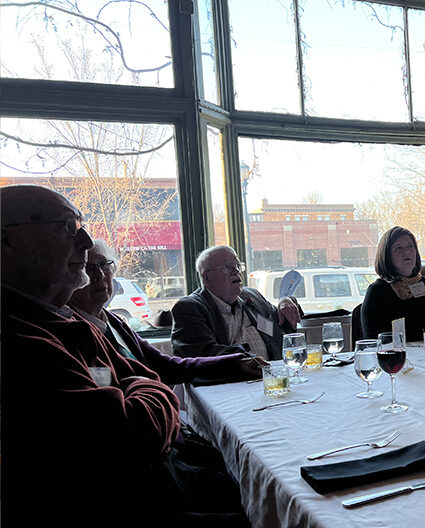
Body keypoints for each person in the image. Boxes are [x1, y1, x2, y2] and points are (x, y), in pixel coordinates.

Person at [1, 185, 183, 526]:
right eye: (67, 227)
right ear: (7, 241)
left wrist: (137, 389)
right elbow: (133, 437)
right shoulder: (18, 339)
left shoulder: (65, 321)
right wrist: (146, 388)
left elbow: (146, 382)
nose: (84, 240)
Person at [69, 240, 265, 386]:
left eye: (104, 265)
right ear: (68, 276)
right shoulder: (70, 332)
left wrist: (236, 363)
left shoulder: (111, 321)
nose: (100, 275)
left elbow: (167, 366)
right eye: (88, 267)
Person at [171, 245, 302, 359]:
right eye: (227, 267)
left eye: (238, 266)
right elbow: (201, 355)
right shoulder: (190, 308)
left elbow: (283, 325)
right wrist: (249, 356)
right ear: (206, 277)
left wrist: (286, 301)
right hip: (225, 384)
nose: (236, 271)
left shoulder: (251, 296)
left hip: (270, 377)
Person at [361, 226, 425, 342]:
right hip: (399, 358)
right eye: (398, 248)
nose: (406, 251)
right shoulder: (378, 292)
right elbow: (373, 342)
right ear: (386, 256)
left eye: (410, 246)